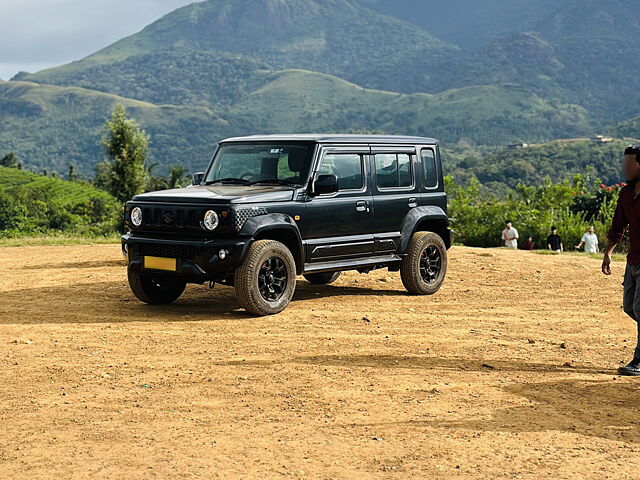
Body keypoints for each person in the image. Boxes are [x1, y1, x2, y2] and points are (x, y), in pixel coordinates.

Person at [603, 144, 640, 375]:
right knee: (629, 307)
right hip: (633, 260)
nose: (624, 168)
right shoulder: (626, 193)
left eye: (629, 164)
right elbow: (619, 225)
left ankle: (639, 360)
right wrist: (608, 252)